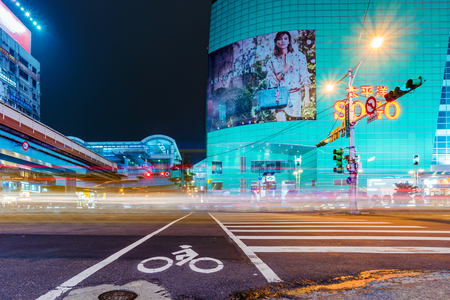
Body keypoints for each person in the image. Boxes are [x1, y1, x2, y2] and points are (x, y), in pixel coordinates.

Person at [266, 31, 311, 121]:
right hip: (279, 95)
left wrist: (307, 96)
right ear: (276, 42)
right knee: (282, 123)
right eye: (280, 39)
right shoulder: (272, 61)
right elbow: (270, 83)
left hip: (295, 94)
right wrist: (284, 70)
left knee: (292, 126)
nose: (282, 41)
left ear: (289, 41)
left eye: (285, 39)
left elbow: (304, 76)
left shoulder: (299, 56)